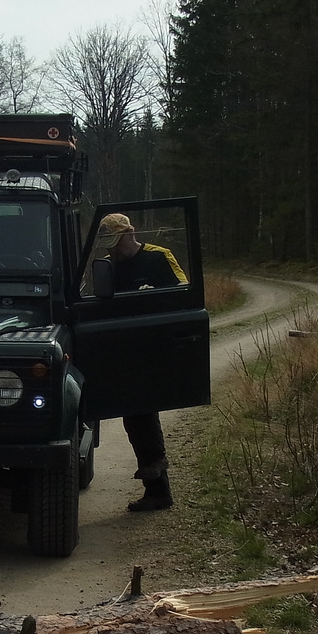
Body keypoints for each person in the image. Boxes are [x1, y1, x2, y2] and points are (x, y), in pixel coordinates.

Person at [93, 212, 188, 512]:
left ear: (128, 234)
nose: (110, 249)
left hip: (154, 348)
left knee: (142, 414)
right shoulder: (109, 267)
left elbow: (185, 291)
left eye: (114, 242)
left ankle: (158, 488)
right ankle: (156, 488)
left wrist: (156, 294)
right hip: (125, 351)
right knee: (135, 416)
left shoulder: (159, 256)